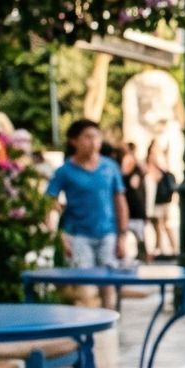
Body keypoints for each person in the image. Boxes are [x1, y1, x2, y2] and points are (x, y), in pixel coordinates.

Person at [47, 119, 128, 309]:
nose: (93, 142)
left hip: (108, 233)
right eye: (88, 137)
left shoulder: (110, 167)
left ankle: (109, 327)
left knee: (108, 284)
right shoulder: (64, 171)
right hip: (78, 235)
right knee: (84, 287)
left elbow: (120, 201)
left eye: (96, 137)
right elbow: (49, 202)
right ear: (74, 141)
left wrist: (122, 235)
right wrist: (58, 235)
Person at [144, 140, 175, 259]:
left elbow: (162, 172)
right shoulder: (154, 158)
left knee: (164, 224)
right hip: (158, 197)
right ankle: (160, 248)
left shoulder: (158, 159)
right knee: (158, 224)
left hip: (161, 198)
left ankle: (170, 248)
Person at [120, 142, 150, 259]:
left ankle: (142, 254)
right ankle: (142, 254)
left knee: (137, 232)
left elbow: (125, 174)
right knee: (138, 233)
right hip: (135, 202)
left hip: (132, 203)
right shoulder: (137, 166)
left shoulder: (129, 161)